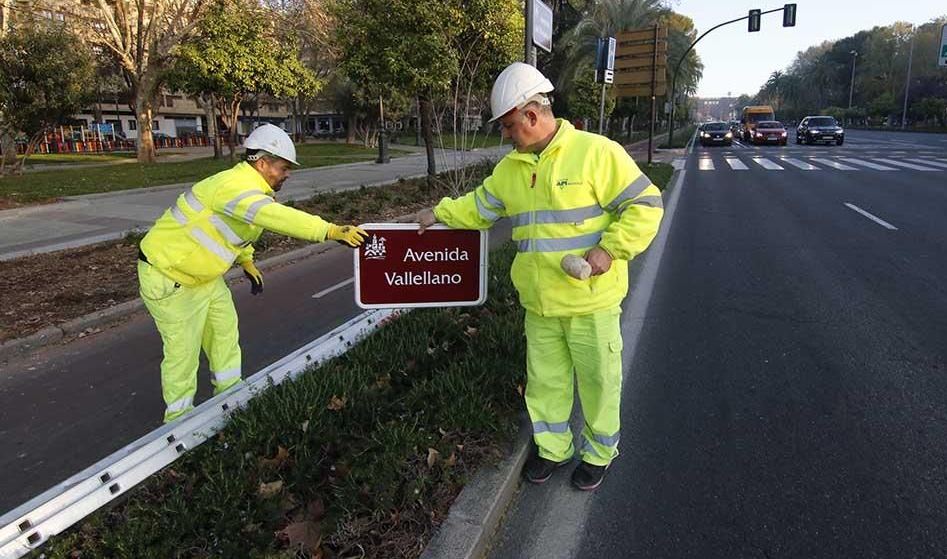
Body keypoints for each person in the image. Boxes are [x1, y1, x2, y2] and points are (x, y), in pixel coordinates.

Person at [416, 62, 663, 491]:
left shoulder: (596, 152)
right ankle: (553, 449)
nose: (506, 135)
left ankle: (600, 452)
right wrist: (439, 214)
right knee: (545, 384)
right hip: (540, 305)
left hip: (591, 303)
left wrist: (610, 249)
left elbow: (646, 204)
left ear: (532, 115)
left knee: (599, 382)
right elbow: (478, 209)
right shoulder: (510, 171)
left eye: (510, 126)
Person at [138, 124, 369, 423]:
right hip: (169, 277)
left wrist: (246, 261)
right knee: (183, 352)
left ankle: (230, 398)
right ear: (262, 163)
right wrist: (329, 230)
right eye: (284, 167)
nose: (287, 174)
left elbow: (237, 231)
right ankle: (180, 422)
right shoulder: (233, 187)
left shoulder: (252, 191)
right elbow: (271, 217)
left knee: (224, 335)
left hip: (203, 278)